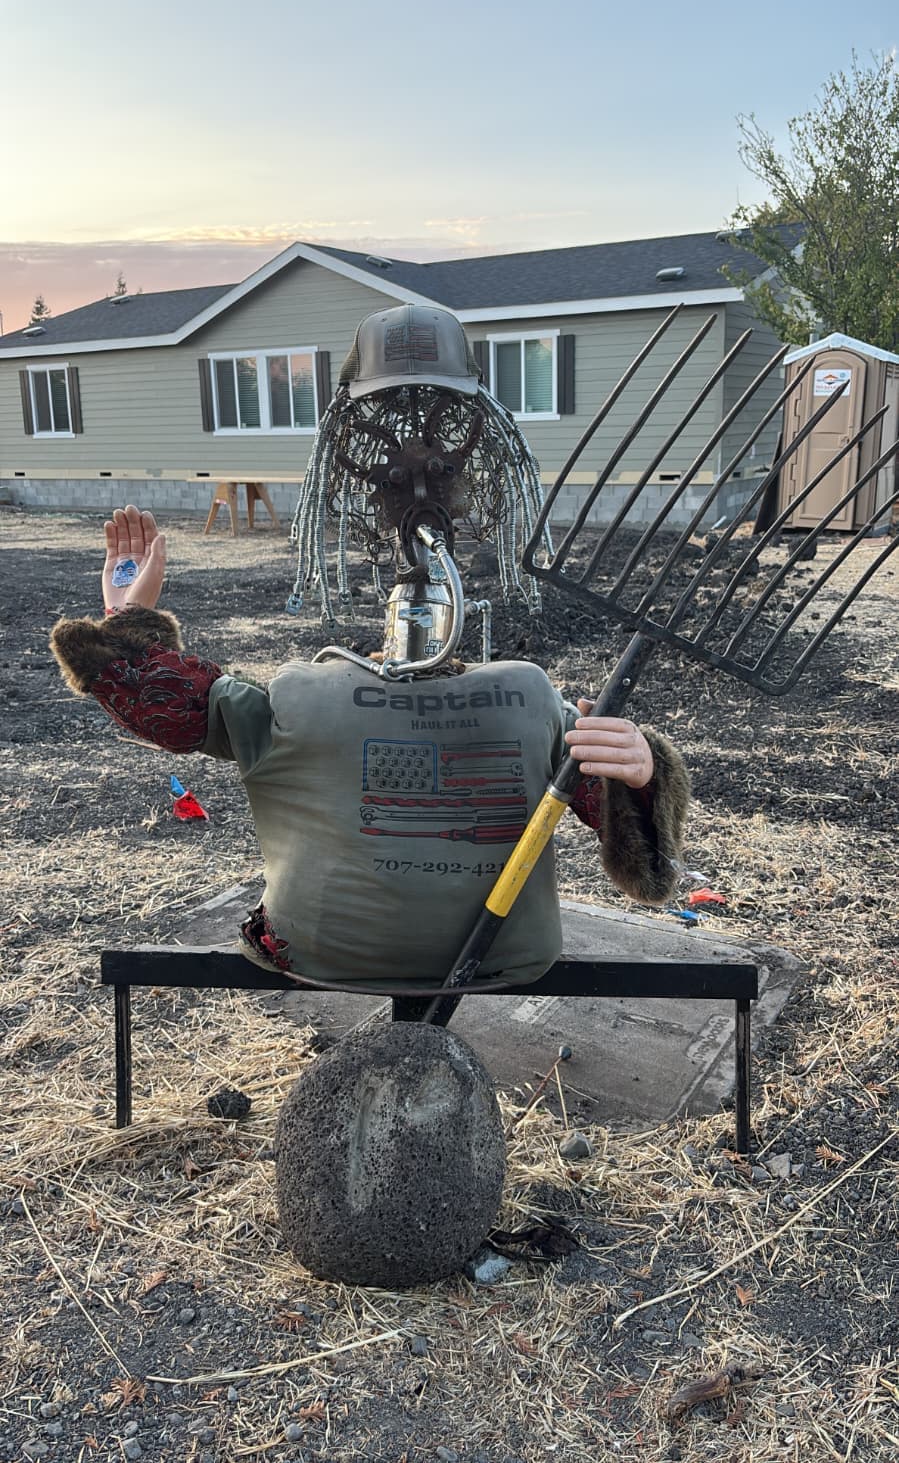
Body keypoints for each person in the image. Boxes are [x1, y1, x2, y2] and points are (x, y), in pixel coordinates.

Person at [49, 310, 689, 991]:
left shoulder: (307, 698)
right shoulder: (524, 701)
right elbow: (641, 869)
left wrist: (638, 766)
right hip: (488, 957)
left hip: (374, 956)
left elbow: (177, 705)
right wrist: (643, 780)